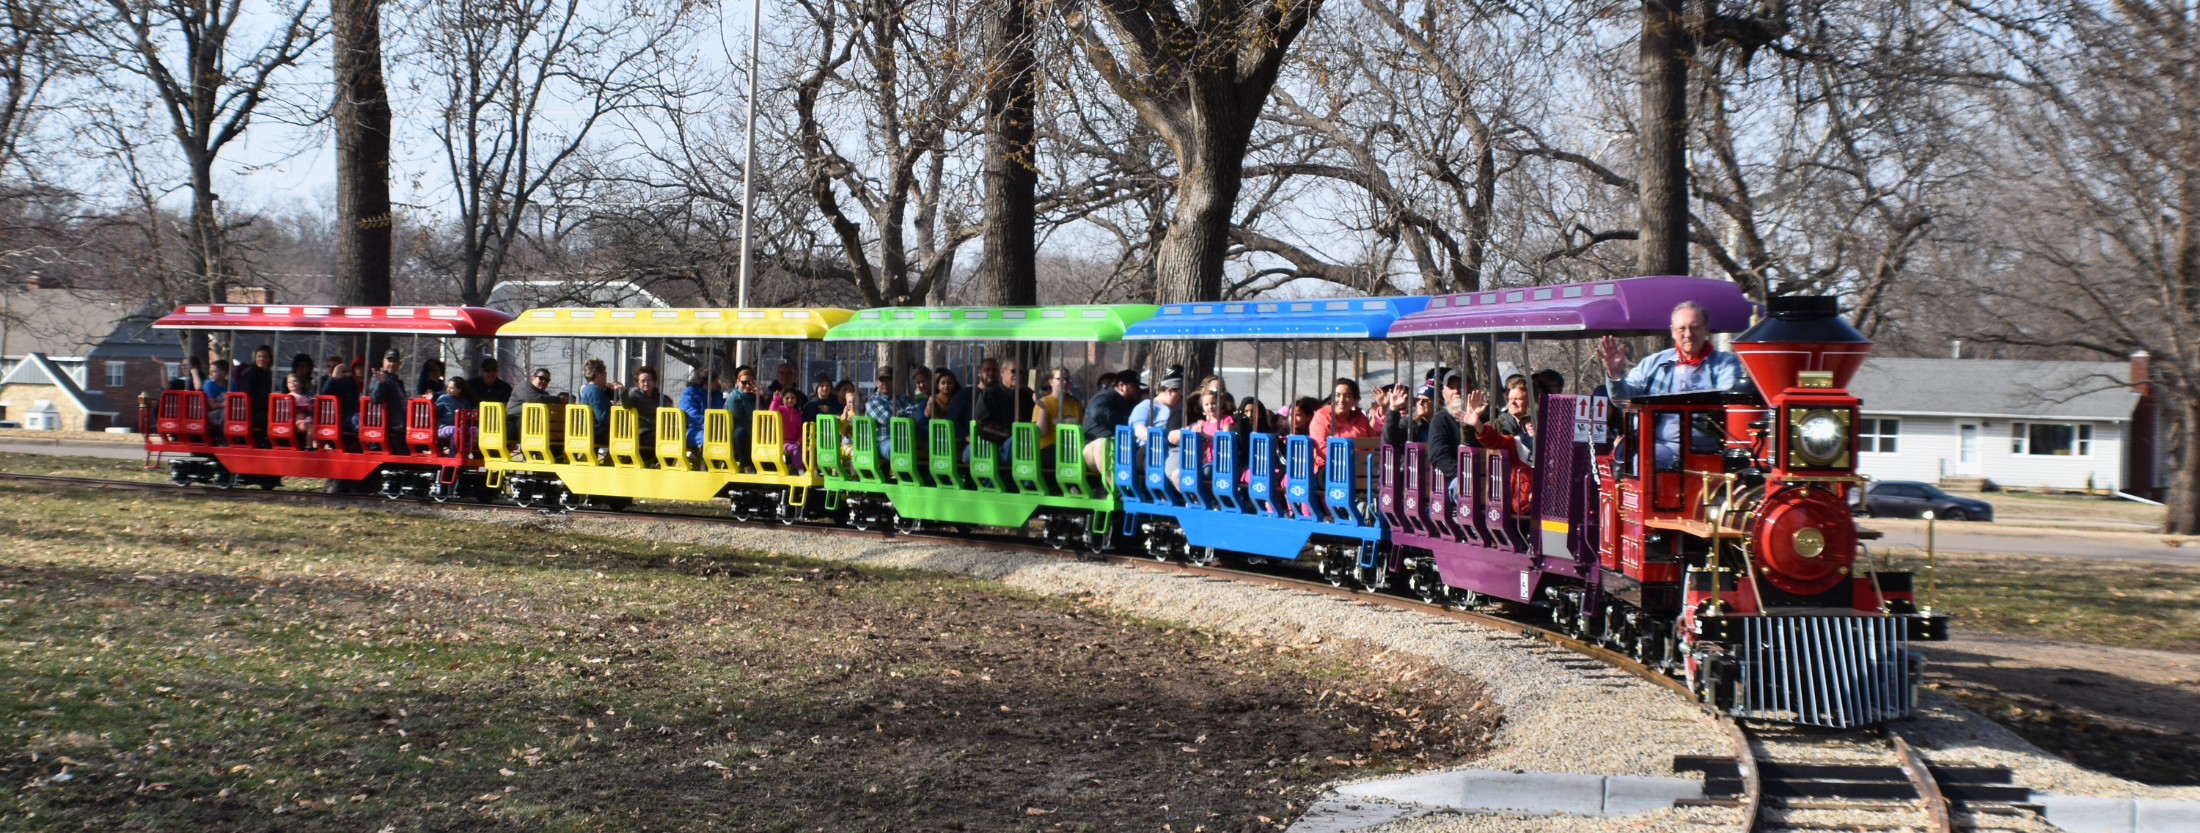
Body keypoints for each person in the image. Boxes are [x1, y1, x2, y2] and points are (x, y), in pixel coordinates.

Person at [1597, 300, 1744, 398]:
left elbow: (1729, 400)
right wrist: (1615, 374)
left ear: (1706, 329)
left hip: (1706, 444)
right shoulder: (1651, 364)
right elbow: (1624, 400)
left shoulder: (1725, 364)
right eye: (1682, 329)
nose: (1688, 334)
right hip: (1655, 443)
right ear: (1673, 332)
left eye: (1694, 328)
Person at [1129, 366, 1185, 483]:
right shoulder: (1147, 406)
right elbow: (1139, 431)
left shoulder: (1180, 410)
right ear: (1169, 391)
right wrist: (1165, 439)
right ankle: (1159, 490)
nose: (1182, 399)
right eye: (1181, 395)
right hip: (1149, 450)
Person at [1080, 371, 1139, 478]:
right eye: (1134, 387)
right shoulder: (1105, 396)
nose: (1137, 390)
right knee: (1103, 444)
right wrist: (1129, 422)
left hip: (1122, 449)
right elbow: (1098, 412)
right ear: (1121, 386)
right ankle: (1116, 490)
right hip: (1094, 450)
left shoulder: (1131, 403)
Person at [1308, 377, 1375, 469]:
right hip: (1329, 465)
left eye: (1347, 396)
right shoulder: (1323, 416)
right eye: (1337, 395)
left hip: (1360, 465)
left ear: (1355, 400)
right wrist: (1343, 463)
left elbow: (1371, 443)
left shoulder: (1361, 418)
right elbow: (1321, 446)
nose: (1341, 400)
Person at [623, 366, 670, 451]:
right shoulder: (634, 395)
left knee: (673, 437)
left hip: (656, 429)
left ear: (654, 381)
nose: (646, 383)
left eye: (649, 380)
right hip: (642, 432)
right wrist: (623, 392)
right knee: (661, 439)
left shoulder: (658, 396)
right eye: (642, 381)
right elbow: (627, 405)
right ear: (638, 383)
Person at [679, 369, 727, 450]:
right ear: (707, 383)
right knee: (711, 437)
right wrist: (709, 423)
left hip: (716, 429)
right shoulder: (690, 393)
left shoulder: (716, 394)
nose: (717, 385)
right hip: (693, 429)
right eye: (715, 383)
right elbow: (691, 415)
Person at [506, 367, 560, 439]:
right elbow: (534, 399)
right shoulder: (525, 386)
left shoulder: (545, 395)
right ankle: (528, 448)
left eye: (547, 380)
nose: (544, 381)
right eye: (541, 378)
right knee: (528, 421)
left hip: (535, 422)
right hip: (513, 422)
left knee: (554, 423)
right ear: (534, 378)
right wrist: (558, 399)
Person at [576, 358, 618, 445]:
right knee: (629, 435)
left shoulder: (588, 389)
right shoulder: (594, 390)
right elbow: (602, 417)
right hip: (597, 432)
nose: (606, 376)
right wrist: (619, 417)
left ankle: (610, 458)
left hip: (591, 430)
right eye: (605, 373)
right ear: (598, 374)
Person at [366, 350, 408, 432]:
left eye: (395, 361)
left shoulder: (398, 381)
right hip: (391, 425)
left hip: (403, 423)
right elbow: (375, 399)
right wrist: (381, 383)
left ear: (399, 364)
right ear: (383, 362)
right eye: (389, 361)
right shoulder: (378, 377)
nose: (392, 364)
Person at [320, 358, 362, 436]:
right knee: (358, 418)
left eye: (334, 366)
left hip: (352, 416)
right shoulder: (324, 381)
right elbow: (325, 392)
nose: (331, 369)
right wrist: (333, 378)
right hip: (338, 419)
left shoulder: (349, 381)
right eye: (328, 366)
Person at [237, 346, 274, 433]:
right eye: (259, 356)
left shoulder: (267, 374)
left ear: (269, 359)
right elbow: (248, 395)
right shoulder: (251, 373)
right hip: (251, 413)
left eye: (264, 356)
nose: (261, 359)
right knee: (275, 418)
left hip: (263, 411)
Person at [434, 377, 476, 451]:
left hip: (462, 428)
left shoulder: (465, 401)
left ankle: (465, 453)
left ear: (459, 390)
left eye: (452, 388)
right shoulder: (443, 398)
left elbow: (469, 415)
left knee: (475, 430)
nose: (448, 390)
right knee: (457, 430)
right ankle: (453, 455)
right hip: (443, 428)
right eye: (448, 387)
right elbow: (435, 413)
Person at [864, 369, 897, 456]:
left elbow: (916, 413)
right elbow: (887, 419)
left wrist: (900, 413)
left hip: (906, 439)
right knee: (896, 448)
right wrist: (904, 415)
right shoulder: (872, 401)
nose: (885, 383)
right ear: (877, 383)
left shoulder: (903, 399)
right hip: (882, 442)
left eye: (888, 380)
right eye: (882, 380)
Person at [202, 359, 231, 432]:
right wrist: (223, 404)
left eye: (214, 371)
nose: (210, 374)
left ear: (222, 373)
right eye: (210, 372)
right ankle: (222, 436)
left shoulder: (231, 385)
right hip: (211, 413)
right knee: (225, 412)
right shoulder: (209, 384)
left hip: (228, 412)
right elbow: (213, 405)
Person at [284, 373, 316, 438]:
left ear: (301, 384)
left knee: (319, 427)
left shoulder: (306, 397)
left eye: (295, 381)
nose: (292, 383)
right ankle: (309, 446)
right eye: (289, 382)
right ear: (287, 385)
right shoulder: (288, 396)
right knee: (310, 427)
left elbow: (310, 409)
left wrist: (309, 416)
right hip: (295, 421)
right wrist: (304, 408)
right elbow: (288, 409)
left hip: (307, 419)